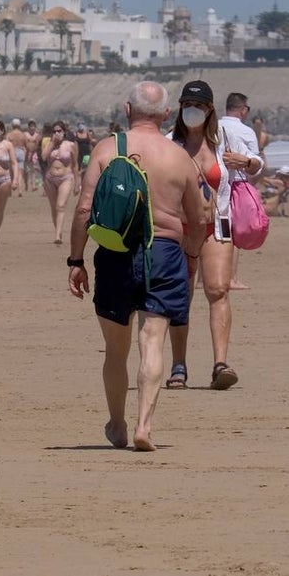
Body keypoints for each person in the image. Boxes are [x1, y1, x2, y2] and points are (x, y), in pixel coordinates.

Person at [67, 81, 204, 451]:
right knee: (152, 342)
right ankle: (145, 425)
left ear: (128, 109)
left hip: (116, 251)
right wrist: (190, 256)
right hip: (164, 252)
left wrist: (76, 259)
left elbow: (83, 208)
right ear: (166, 115)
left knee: (116, 349)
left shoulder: (108, 148)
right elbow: (198, 219)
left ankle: (117, 424)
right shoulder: (180, 159)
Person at [164, 81, 262, 391]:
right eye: (188, 105)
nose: (194, 111)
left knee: (218, 290)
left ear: (210, 110)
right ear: (181, 108)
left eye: (201, 106)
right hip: (180, 229)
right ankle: (179, 365)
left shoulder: (224, 137)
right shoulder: (169, 143)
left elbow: (257, 163)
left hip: (217, 224)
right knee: (181, 295)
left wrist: (245, 163)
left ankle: (220, 363)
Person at [219, 92, 264, 291]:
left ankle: (204, 279)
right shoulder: (245, 131)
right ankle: (230, 278)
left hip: (214, 182)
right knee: (234, 232)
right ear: (243, 110)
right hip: (236, 184)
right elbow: (254, 163)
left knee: (213, 230)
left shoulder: (215, 126)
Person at [41, 121, 81, 245]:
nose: (56, 133)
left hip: (66, 177)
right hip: (50, 178)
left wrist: (77, 183)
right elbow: (43, 157)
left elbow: (75, 165)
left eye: (59, 131)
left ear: (64, 132)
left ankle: (58, 235)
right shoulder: (48, 143)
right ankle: (58, 230)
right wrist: (52, 143)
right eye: (54, 131)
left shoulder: (70, 145)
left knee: (61, 206)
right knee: (54, 208)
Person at [5, 119, 27, 196]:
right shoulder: (23, 135)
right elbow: (25, 145)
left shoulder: (9, 135)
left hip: (12, 151)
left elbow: (6, 145)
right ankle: (20, 190)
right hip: (21, 151)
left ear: (12, 125)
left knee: (11, 172)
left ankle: (10, 191)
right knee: (20, 173)